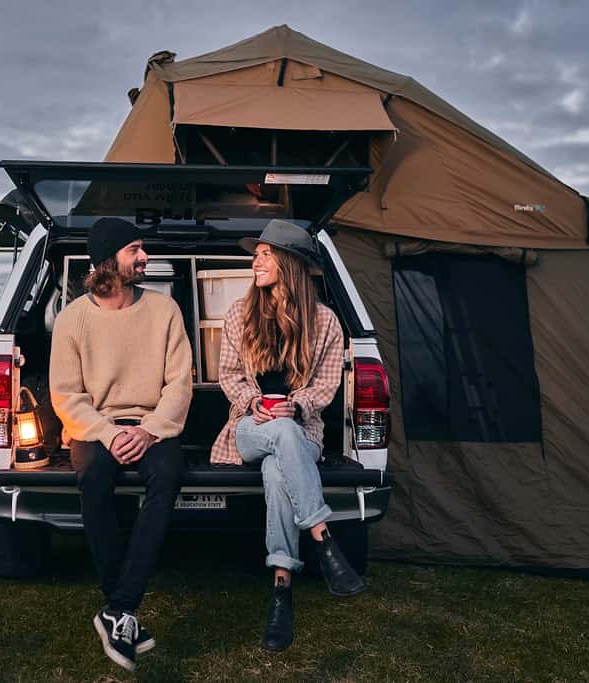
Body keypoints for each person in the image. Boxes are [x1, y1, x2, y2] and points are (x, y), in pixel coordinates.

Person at [210, 219, 365, 652]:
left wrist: (296, 405)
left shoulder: (325, 322)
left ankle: (281, 590)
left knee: (280, 472)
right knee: (277, 432)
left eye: (264, 253)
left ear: (290, 263)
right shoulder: (240, 314)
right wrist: (256, 403)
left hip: (300, 432)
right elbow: (229, 377)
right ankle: (322, 537)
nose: (255, 261)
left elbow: (327, 386)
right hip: (246, 429)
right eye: (256, 254)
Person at [49, 217, 193, 672]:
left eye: (141, 248)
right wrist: (110, 433)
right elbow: (66, 396)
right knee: (92, 475)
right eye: (135, 249)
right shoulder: (73, 319)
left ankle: (119, 606)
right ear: (109, 261)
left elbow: (179, 383)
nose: (144, 257)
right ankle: (122, 608)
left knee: (168, 474)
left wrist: (149, 430)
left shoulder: (164, 310)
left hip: (153, 424)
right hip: (95, 427)